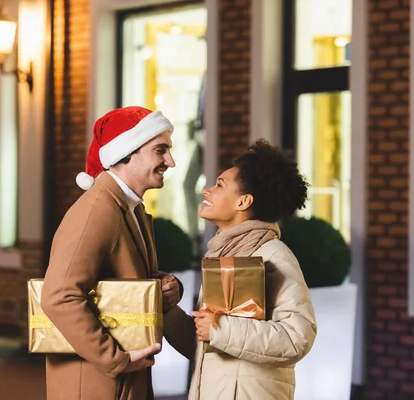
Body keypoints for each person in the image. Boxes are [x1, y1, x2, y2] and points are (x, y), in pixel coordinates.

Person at [41, 106, 182, 400]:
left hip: (120, 381)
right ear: (128, 152)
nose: (171, 161)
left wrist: (164, 287)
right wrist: (115, 359)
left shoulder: (131, 210)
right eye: (160, 150)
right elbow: (59, 296)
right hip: (98, 384)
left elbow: (122, 282)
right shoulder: (97, 211)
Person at [164, 139, 317, 400]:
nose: (206, 190)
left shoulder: (274, 256)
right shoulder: (221, 255)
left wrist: (219, 329)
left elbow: (297, 338)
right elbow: (207, 345)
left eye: (219, 185)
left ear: (243, 201)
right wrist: (167, 310)